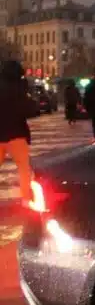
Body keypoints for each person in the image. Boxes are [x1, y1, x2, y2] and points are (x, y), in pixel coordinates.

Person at [0, 60, 34, 206]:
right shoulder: (20, 88)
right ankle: (26, 198)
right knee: (24, 169)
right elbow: (29, 109)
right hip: (17, 133)